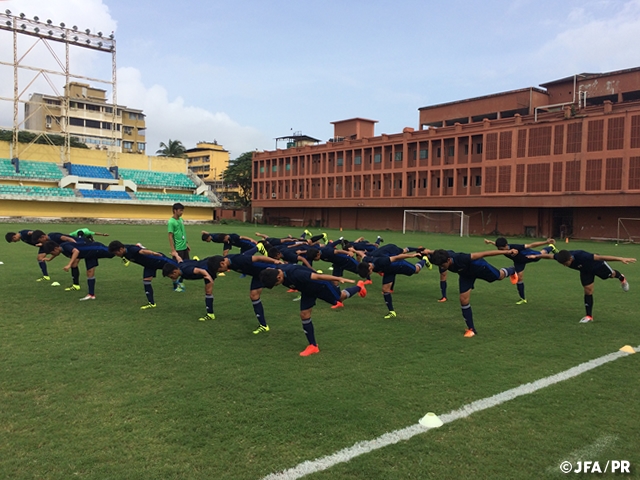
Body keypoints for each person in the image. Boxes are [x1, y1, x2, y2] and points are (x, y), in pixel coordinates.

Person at [259, 264, 367, 356]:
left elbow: (318, 277)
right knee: (304, 314)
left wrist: (338, 279)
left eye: (276, 284)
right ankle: (313, 346)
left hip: (321, 286)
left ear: (278, 277)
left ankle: (359, 287)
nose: (278, 285)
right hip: (307, 290)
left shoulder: (296, 274)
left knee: (340, 298)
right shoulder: (276, 270)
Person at [429, 248, 518, 337]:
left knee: (499, 276)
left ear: (448, 260)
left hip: (479, 267)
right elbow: (431, 252)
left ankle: (511, 270)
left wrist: (507, 252)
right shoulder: (444, 256)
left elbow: (484, 253)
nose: (441, 267)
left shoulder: (461, 258)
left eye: (442, 265)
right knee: (463, 300)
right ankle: (471, 329)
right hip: (466, 275)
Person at [532, 249, 635, 323]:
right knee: (588, 290)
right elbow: (549, 256)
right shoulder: (562, 257)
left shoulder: (581, 255)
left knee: (611, 275)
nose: (565, 265)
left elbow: (600, 257)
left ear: (570, 258)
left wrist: (621, 258)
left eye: (565, 263)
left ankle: (622, 278)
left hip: (597, 265)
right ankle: (589, 316)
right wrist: (536, 256)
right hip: (585, 271)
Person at [206, 252, 283, 334]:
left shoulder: (238, 260)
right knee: (254, 296)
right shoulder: (227, 261)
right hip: (257, 275)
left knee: (287, 281)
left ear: (222, 263)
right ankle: (264, 326)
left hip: (269, 270)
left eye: (219, 270)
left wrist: (275, 262)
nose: (219, 272)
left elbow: (258, 258)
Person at [356, 244, 430, 319]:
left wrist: (412, 255)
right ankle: (392, 312)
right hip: (388, 270)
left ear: (370, 267)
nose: (369, 274)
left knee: (416, 270)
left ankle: (424, 259)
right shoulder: (365, 260)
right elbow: (362, 254)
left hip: (398, 265)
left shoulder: (380, 261)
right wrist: (353, 250)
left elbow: (396, 257)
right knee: (385, 290)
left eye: (369, 273)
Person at [484, 237, 558, 304]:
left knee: (542, 253)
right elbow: (497, 245)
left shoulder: (515, 247)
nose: (501, 251)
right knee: (519, 278)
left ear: (506, 245)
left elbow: (530, 245)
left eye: (502, 249)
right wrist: (490, 242)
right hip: (519, 262)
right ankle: (523, 298)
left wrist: (546, 242)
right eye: (499, 249)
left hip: (529, 256)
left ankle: (550, 247)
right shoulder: (501, 248)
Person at [108, 240, 181, 309]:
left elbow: (142, 251)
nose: (116, 255)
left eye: (116, 253)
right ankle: (152, 303)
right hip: (149, 266)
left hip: (158, 260)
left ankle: (178, 284)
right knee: (146, 282)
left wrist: (154, 253)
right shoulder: (124, 252)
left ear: (121, 249)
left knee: (179, 268)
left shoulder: (131, 249)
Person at [41, 240, 114, 300]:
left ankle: (125, 251)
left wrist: (69, 264)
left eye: (51, 253)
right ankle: (91, 295)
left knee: (113, 253)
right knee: (89, 272)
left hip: (95, 248)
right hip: (89, 255)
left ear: (56, 248)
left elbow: (76, 251)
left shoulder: (65, 246)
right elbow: (56, 254)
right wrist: (49, 259)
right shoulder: (61, 249)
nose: (52, 254)